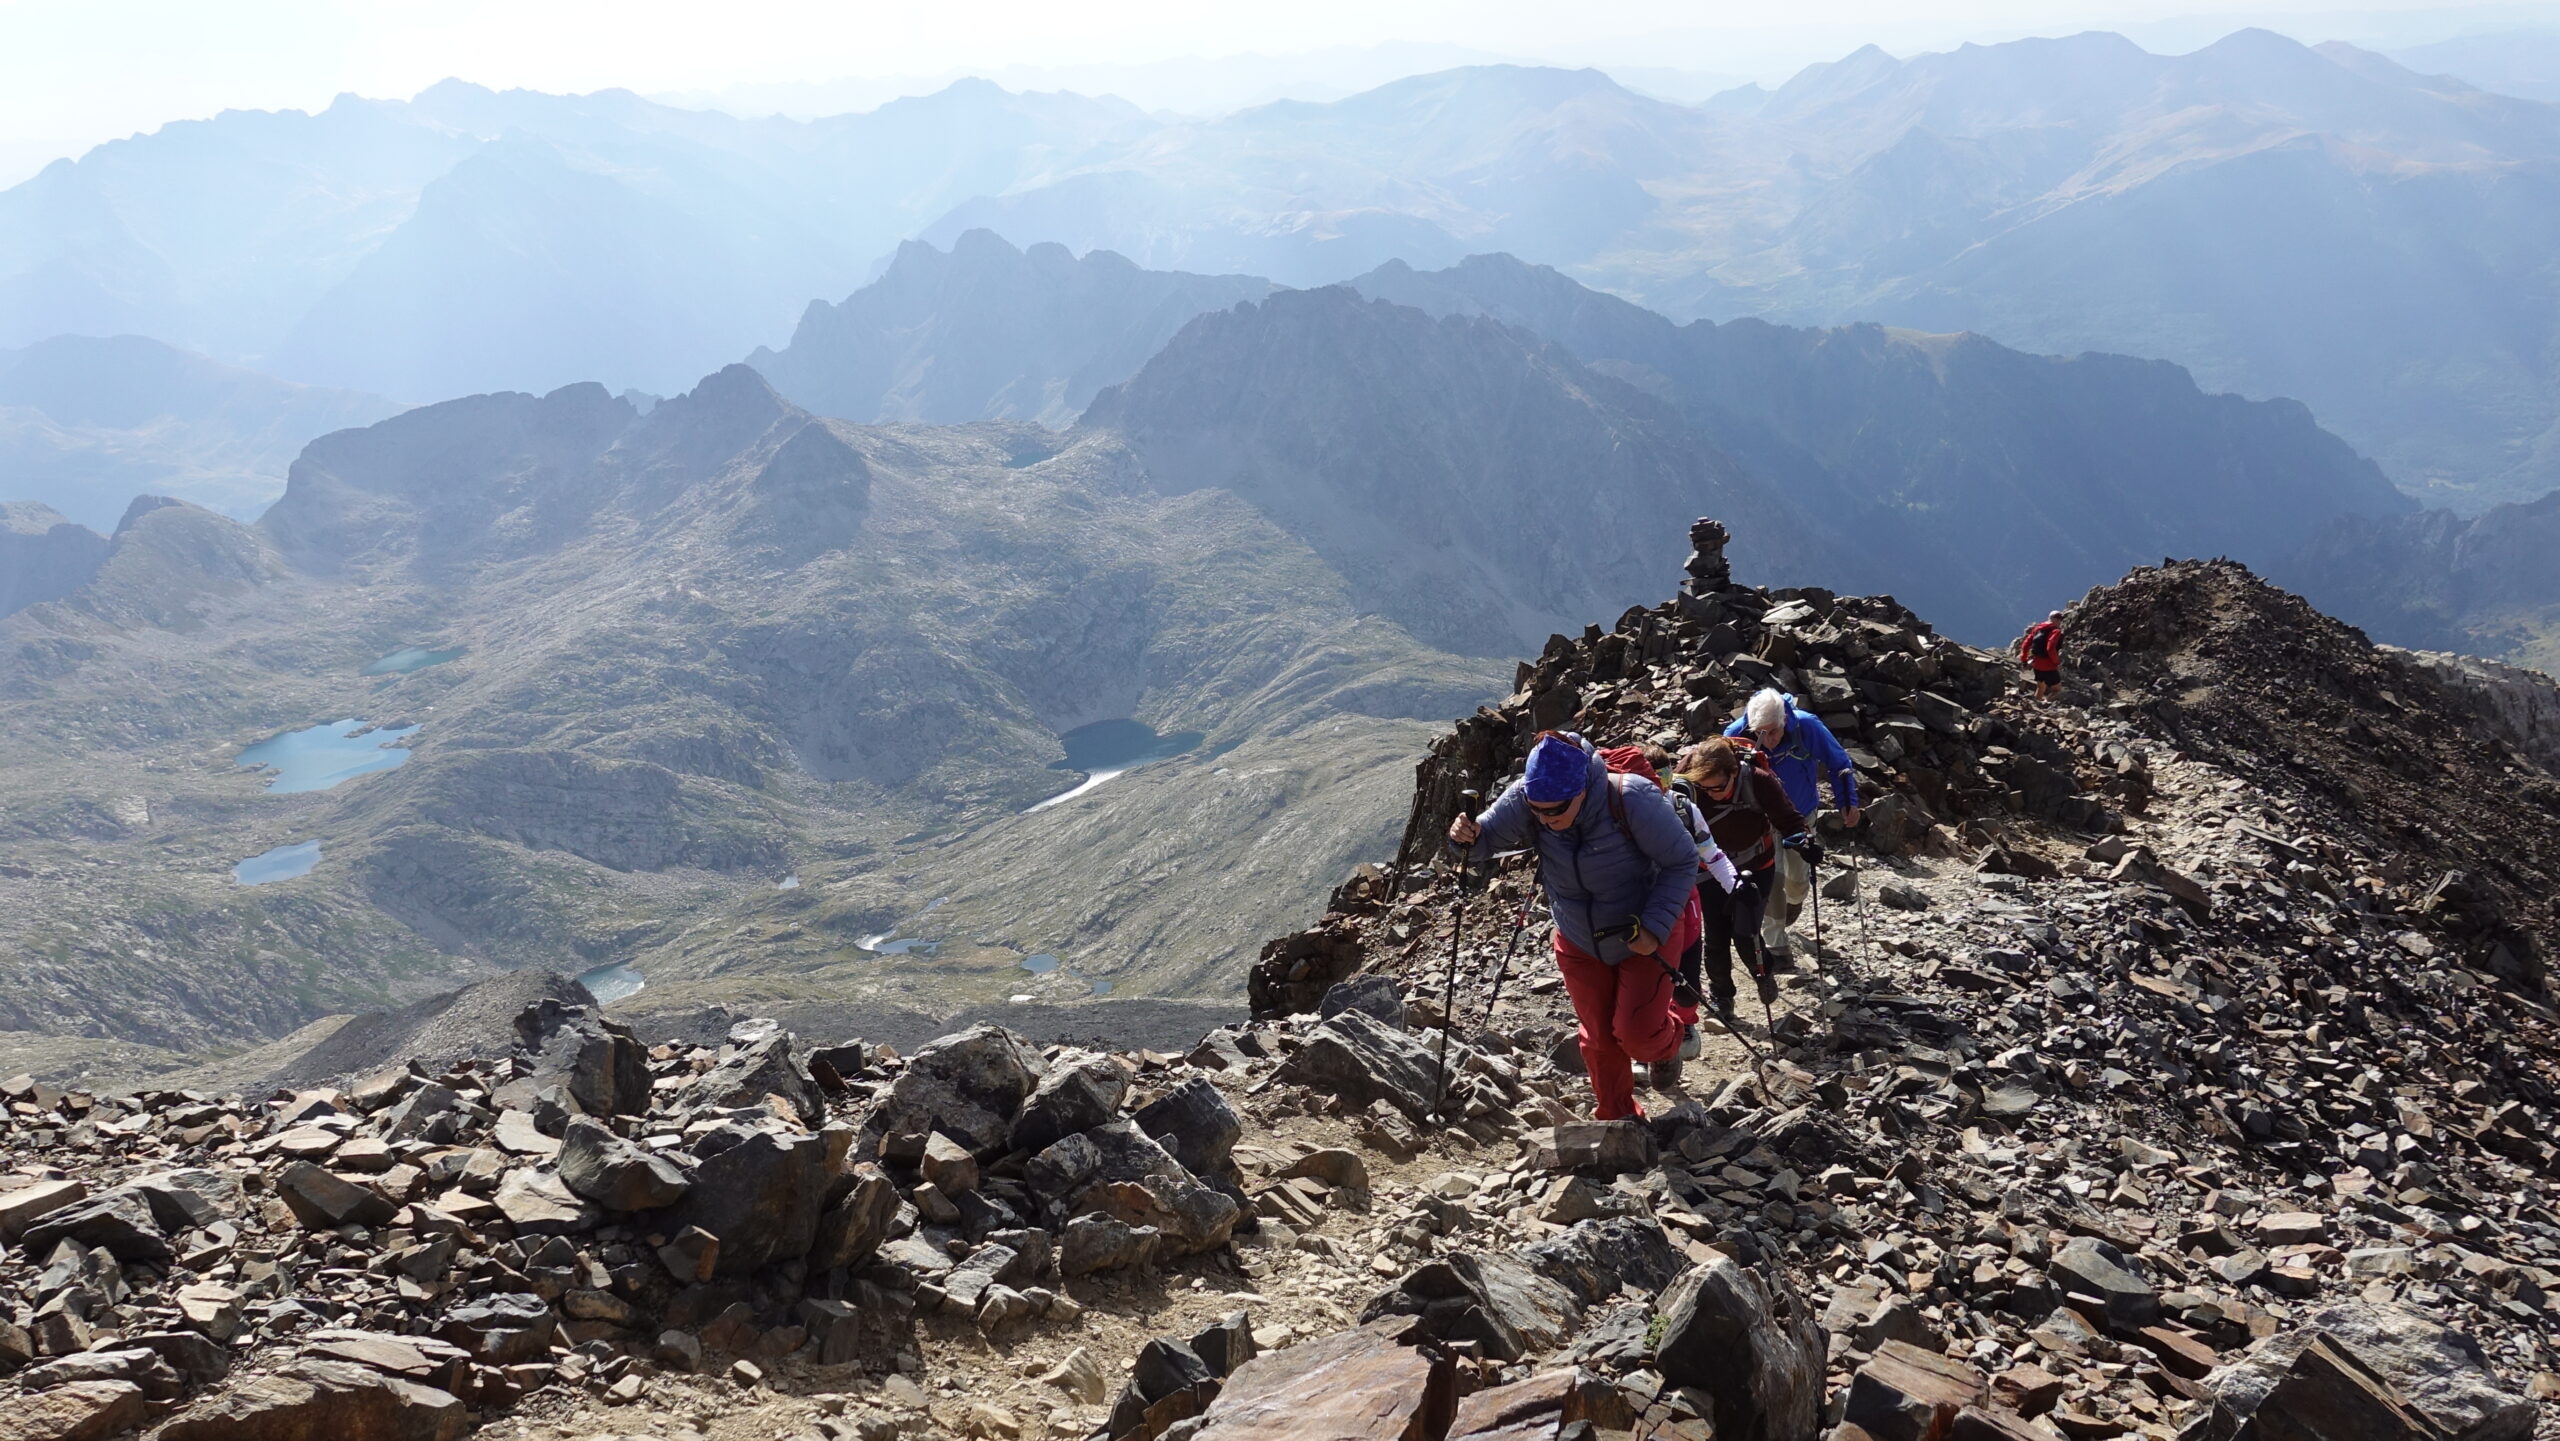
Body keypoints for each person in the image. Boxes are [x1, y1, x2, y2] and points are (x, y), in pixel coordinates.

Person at [1449, 731, 1700, 1119]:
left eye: (1555, 811)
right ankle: (1618, 1118)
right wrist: (1465, 836)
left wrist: (1655, 926)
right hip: (1580, 939)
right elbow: (1483, 842)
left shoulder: (1631, 798)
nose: (1546, 820)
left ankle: (1667, 1045)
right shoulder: (1530, 795)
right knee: (1599, 1037)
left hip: (1644, 934)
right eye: (1537, 811)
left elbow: (1683, 860)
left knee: (1636, 1035)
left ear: (1582, 789)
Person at [1723, 688, 1859, 968]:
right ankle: (1777, 945)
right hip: (1760, 818)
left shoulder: (1807, 726)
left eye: (1773, 732)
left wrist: (1848, 802)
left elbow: (1839, 763)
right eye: (1761, 733)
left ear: (1785, 720)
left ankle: (1793, 904)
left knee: (1797, 881)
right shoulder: (1736, 733)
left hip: (1800, 816)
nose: (1769, 741)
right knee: (1772, 878)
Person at [1675, 737, 1808, 1021]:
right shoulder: (1688, 784)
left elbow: (1788, 818)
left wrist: (1804, 842)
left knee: (1745, 930)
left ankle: (1763, 973)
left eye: (1718, 787)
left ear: (1733, 772)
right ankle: (1723, 997)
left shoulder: (1758, 780)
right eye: (1704, 788)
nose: (1711, 794)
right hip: (1708, 869)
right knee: (1716, 936)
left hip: (1756, 864)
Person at [2019, 610, 2065, 702]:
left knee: (2041, 687)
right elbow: (2050, 648)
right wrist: (2056, 663)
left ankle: (2036, 704)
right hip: (2048, 665)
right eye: (2058, 619)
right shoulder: (2055, 631)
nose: (2059, 622)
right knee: (2057, 690)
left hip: (2037, 664)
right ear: (2055, 620)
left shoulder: (2038, 629)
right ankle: (2044, 704)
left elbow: (2025, 644)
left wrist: (2024, 659)